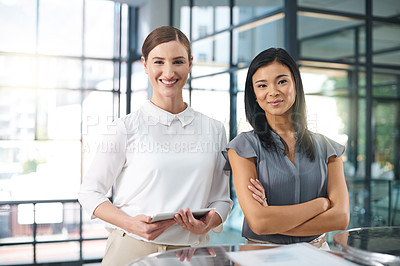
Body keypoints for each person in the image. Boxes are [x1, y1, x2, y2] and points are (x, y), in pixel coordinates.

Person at [78, 26, 232, 265]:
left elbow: (222, 199)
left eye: (178, 61)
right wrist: (131, 224)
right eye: (158, 61)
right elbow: (89, 192)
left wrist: (210, 221)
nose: (168, 72)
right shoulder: (126, 127)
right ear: (145, 64)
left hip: (193, 253)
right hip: (133, 249)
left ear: (190, 64)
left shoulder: (214, 129)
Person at [223, 48, 350, 249]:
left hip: (317, 256)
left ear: (296, 85)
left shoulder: (329, 149)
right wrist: (321, 205)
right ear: (254, 94)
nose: (273, 92)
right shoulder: (242, 148)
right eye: (262, 85)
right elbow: (259, 222)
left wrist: (273, 221)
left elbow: (341, 218)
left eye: (282, 81)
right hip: (261, 255)